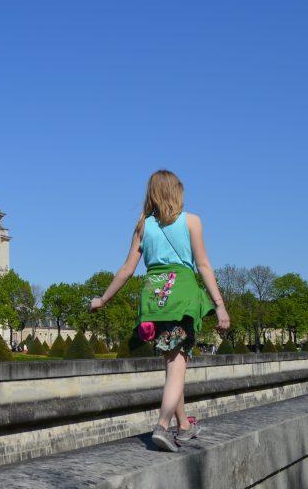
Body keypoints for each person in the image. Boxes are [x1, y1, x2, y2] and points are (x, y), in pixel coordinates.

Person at [89, 170, 230, 452]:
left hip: (154, 299)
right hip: (182, 298)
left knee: (171, 365)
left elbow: (127, 269)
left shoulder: (143, 225)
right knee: (178, 368)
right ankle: (162, 426)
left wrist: (102, 299)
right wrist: (219, 305)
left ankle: (185, 427)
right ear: (176, 192)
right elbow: (203, 265)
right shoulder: (192, 221)